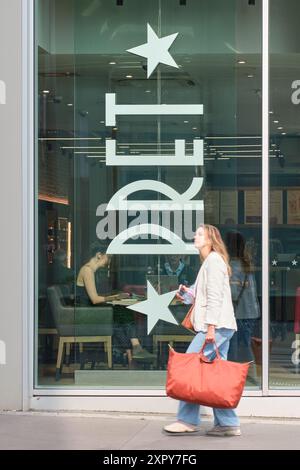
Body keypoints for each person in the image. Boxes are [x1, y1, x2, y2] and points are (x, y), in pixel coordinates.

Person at [163, 224, 240, 437]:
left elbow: (215, 298)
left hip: (217, 326)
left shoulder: (214, 262)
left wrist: (211, 329)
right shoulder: (208, 262)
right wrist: (186, 294)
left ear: (210, 239)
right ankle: (227, 423)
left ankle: (187, 420)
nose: (194, 236)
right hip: (220, 326)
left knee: (190, 366)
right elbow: (201, 296)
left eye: (199, 234)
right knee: (214, 374)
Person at [76, 241, 155, 366]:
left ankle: (134, 351)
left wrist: (115, 297)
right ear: (99, 255)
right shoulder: (87, 270)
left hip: (92, 310)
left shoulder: (92, 271)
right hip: (87, 313)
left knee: (119, 321)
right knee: (121, 313)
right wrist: (115, 298)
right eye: (108, 257)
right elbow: (95, 299)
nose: (109, 261)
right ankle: (135, 349)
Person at [226, 231, 260, 368]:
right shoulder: (246, 263)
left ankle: (239, 373)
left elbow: (233, 293)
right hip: (251, 311)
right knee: (245, 345)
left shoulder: (233, 265)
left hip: (239, 312)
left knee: (235, 347)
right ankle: (251, 372)